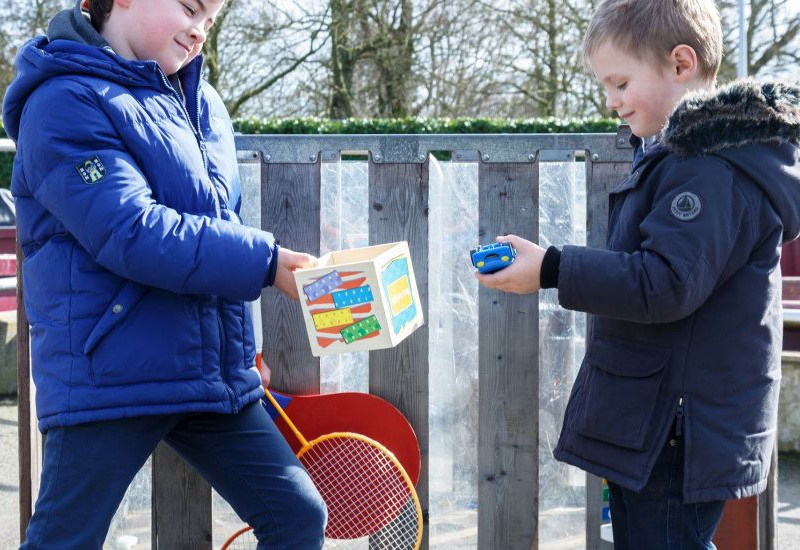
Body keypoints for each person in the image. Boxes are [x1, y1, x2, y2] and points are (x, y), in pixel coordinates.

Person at [2, 0, 327, 548]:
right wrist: (269, 263)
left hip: (207, 376)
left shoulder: (203, 103)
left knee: (297, 515)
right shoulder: (62, 100)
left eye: (211, 19)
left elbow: (217, 224)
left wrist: (238, 346)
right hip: (108, 376)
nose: (200, 29)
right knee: (65, 540)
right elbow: (131, 230)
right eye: (190, 8)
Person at [476, 0, 800, 548]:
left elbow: (665, 283)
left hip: (676, 429)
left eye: (621, 82)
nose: (611, 101)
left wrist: (553, 267)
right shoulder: (678, 157)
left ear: (681, 64)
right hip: (663, 418)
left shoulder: (708, 169)